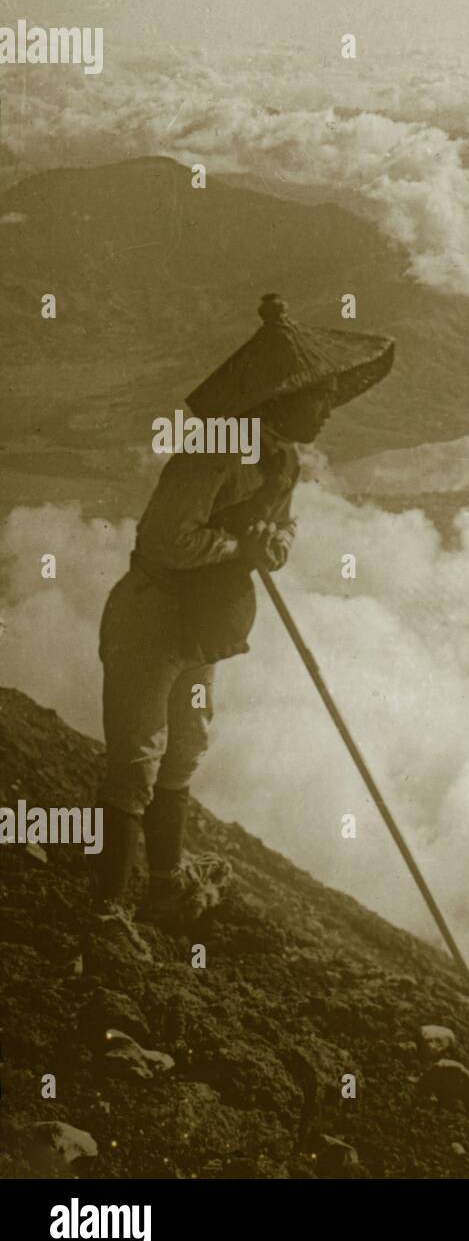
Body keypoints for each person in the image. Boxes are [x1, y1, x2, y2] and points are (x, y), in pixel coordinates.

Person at [91, 294, 394, 959]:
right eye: (316, 397)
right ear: (277, 398)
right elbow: (165, 536)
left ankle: (165, 885)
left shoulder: (281, 460)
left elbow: (279, 532)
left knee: (184, 746)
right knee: (135, 757)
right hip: (151, 614)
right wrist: (239, 551)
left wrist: (268, 544)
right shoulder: (213, 456)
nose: (326, 408)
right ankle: (108, 911)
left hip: (200, 625)